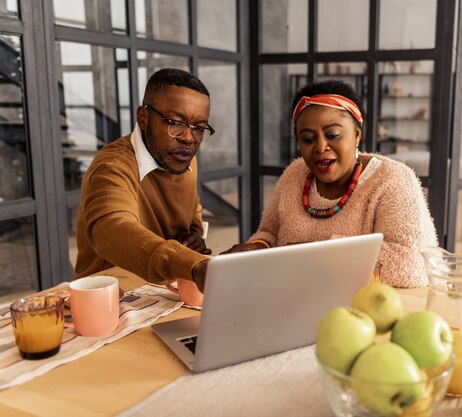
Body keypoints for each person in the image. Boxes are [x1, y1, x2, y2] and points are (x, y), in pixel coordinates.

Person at [225, 80, 437, 287]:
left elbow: (414, 264)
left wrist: (317, 254)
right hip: (293, 301)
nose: (320, 147)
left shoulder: (392, 180)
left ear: (356, 135)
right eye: (308, 139)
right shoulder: (295, 174)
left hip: (363, 312)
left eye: (332, 135)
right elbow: (270, 232)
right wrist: (257, 246)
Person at [74, 68, 213, 291]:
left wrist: (194, 233)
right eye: (175, 123)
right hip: (115, 298)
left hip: (166, 293)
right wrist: (190, 263)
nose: (189, 138)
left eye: (199, 128)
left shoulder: (182, 158)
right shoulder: (113, 166)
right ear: (144, 118)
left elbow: (192, 205)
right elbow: (112, 229)